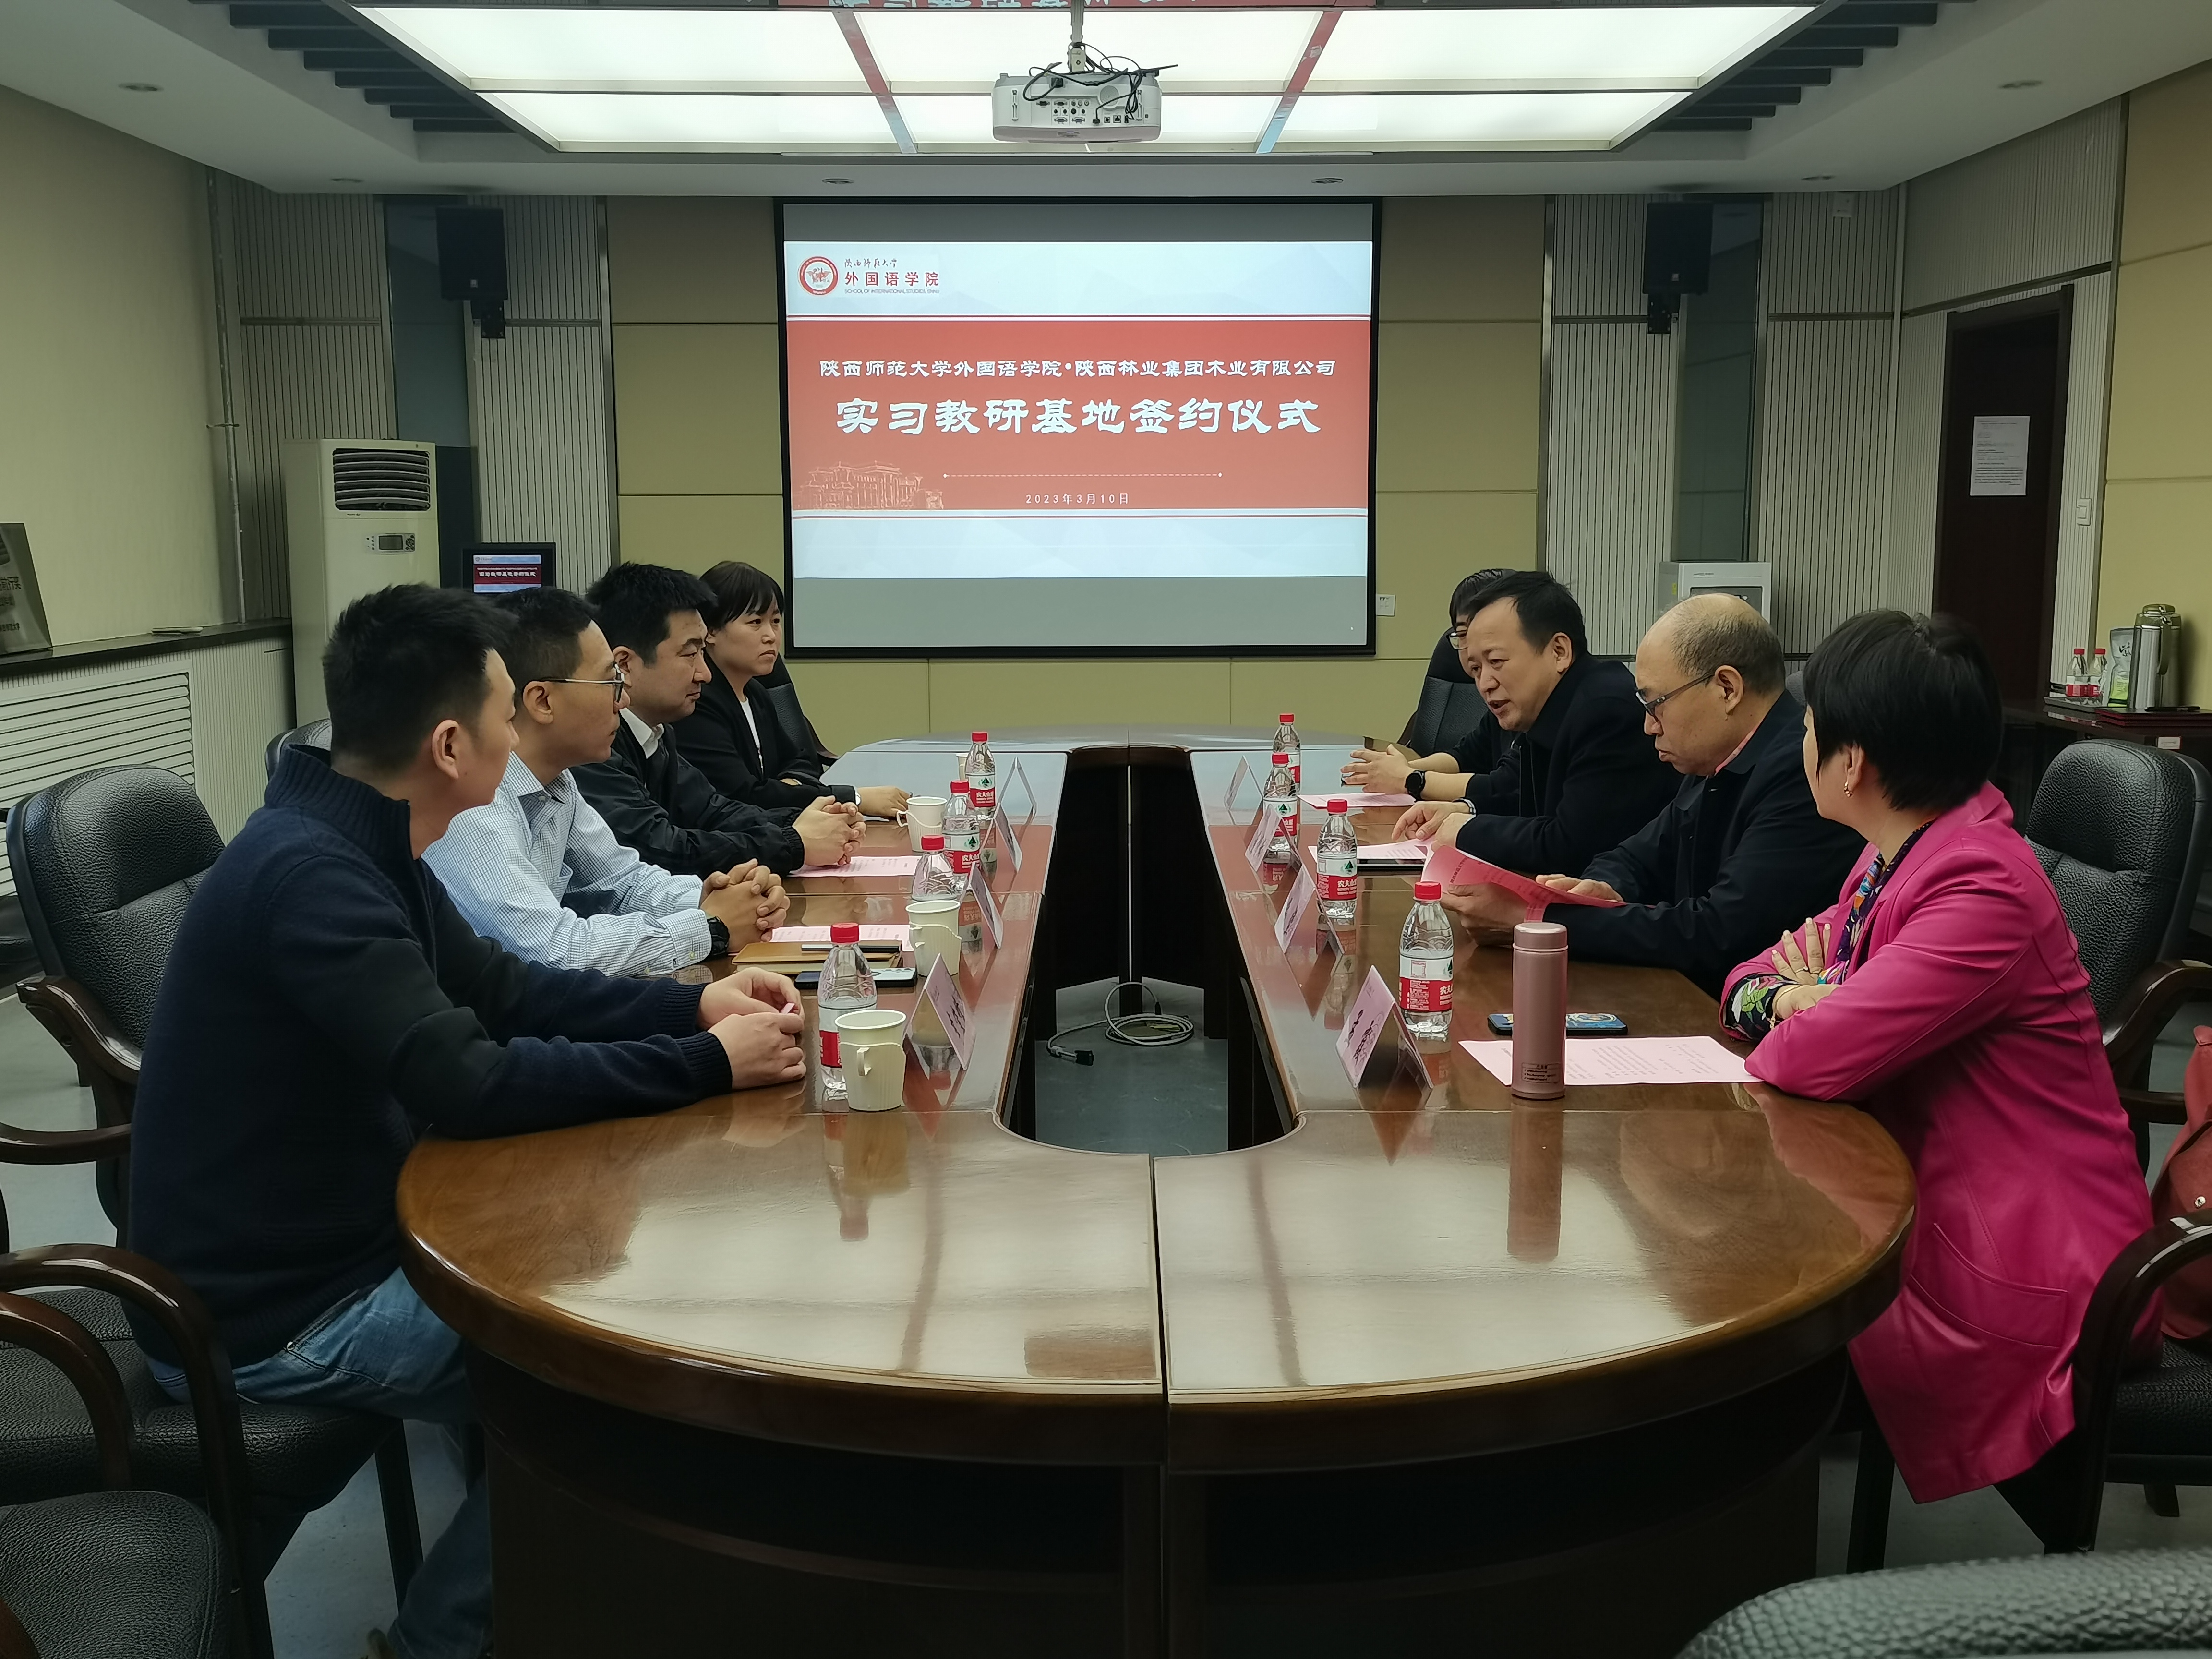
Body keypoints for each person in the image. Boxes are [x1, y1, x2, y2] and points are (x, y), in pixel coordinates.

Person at [126, 585, 808, 1659]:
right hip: (277, 1315)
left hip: (348, 1241)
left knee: (618, 1307)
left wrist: (693, 1008)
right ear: (451, 745)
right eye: (502, 714)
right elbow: (471, 1081)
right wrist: (705, 1066)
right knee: (627, 1391)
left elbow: (508, 989)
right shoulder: (311, 875)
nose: (516, 737)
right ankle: (436, 1645)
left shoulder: (356, 835)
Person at [1720, 610, 2151, 1523]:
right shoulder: (1897, 857)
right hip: (1927, 1183)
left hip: (2031, 1262)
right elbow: (1747, 978)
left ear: (1851, 762)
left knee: (1743, 1348)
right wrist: (1791, 995)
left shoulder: (1979, 886)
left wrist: (1799, 1005)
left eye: (1807, 727)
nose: (1799, 744)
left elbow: (1805, 1056)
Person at [1434, 595, 1862, 995]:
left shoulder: (1800, 774)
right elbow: (1635, 856)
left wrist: (1542, 920)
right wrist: (1604, 888)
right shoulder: (1715, 757)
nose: (1648, 726)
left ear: (1727, 689)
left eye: (1656, 703)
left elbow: (1720, 933)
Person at [425, 586, 792, 976]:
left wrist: (715, 896)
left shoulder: (557, 782)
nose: (623, 701)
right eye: (611, 683)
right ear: (542, 701)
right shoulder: (471, 803)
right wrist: (711, 927)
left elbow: (622, 884)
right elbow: (553, 952)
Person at [575, 563, 863, 876]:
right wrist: (794, 842)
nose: (705, 673)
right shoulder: (590, 747)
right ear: (625, 665)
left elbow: (712, 810)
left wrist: (807, 822)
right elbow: (661, 848)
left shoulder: (657, 732)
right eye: (690, 654)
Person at [1390, 571, 1678, 875]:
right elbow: (1523, 800)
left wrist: (1466, 830)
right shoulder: (1546, 710)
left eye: (1496, 662)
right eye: (1476, 669)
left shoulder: (1606, 710)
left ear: (1559, 652)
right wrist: (1462, 810)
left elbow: (1570, 847)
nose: (1485, 684)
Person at [670, 560, 910, 822]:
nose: (771, 636)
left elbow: (802, 761)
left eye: (775, 621)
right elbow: (744, 795)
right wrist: (856, 798)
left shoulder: (757, 694)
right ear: (710, 631)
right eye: (755, 622)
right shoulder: (698, 702)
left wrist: (788, 787)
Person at [1368, 568, 1516, 782]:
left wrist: (1413, 780)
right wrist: (1402, 769)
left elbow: (1505, 787)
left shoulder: (1535, 712)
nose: (1485, 684)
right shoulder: (1496, 713)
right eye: (1464, 634)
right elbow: (1464, 757)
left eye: (1496, 662)